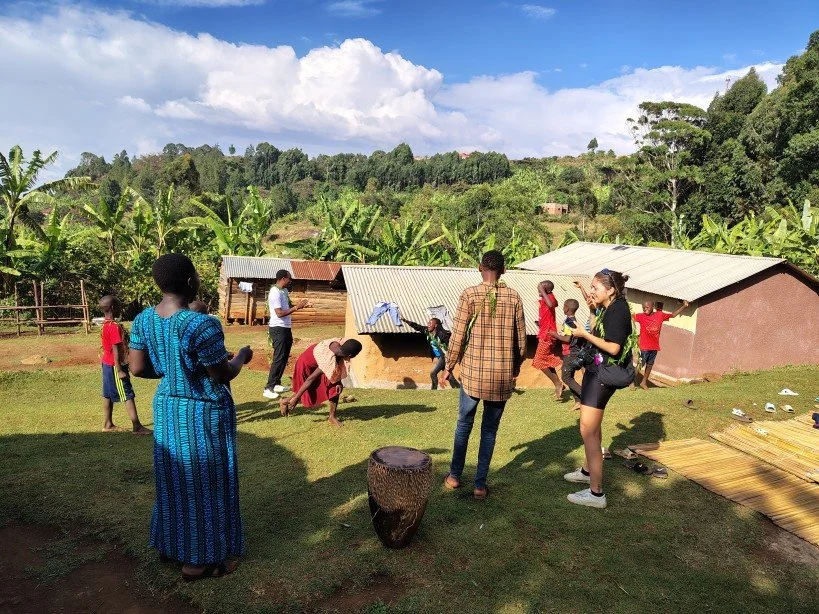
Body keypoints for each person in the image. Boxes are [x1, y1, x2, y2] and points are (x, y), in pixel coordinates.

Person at [129, 253, 254, 581]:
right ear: (190, 281)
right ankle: (197, 563)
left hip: (168, 411)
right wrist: (241, 357)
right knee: (204, 484)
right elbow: (222, 375)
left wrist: (174, 370)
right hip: (201, 414)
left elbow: (138, 368)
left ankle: (171, 546)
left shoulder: (142, 320)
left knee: (173, 479)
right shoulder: (202, 324)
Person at [442, 250, 526, 500]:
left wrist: (448, 366)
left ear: (480, 268)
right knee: (489, 431)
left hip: (472, 376)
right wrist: (514, 368)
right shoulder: (514, 297)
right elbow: (520, 343)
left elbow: (457, 336)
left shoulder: (469, 294)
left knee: (463, 424)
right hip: (501, 378)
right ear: (504, 270)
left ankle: (455, 476)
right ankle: (480, 485)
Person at [563, 269, 634, 509]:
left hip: (603, 374)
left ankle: (596, 494)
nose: (591, 291)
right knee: (593, 427)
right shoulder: (609, 307)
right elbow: (596, 331)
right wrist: (592, 310)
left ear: (611, 290)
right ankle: (586, 471)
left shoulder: (619, 311)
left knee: (588, 431)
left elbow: (613, 348)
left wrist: (582, 334)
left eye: (595, 288)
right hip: (598, 371)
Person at [98, 295, 151, 435]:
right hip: (115, 366)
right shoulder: (114, 327)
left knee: (108, 394)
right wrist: (120, 369)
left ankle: (107, 424)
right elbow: (116, 348)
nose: (121, 309)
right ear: (113, 308)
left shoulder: (105, 325)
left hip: (106, 364)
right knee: (127, 394)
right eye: (119, 306)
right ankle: (137, 426)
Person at [280, 338, 363, 427]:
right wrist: (296, 398)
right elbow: (311, 379)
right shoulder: (329, 359)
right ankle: (285, 401)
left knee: (334, 388)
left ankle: (332, 417)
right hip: (307, 363)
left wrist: (338, 382)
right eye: (357, 354)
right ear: (350, 355)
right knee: (309, 390)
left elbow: (338, 364)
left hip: (320, 361)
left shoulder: (342, 348)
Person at [264, 270, 310, 400]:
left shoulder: (283, 291)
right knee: (278, 358)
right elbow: (279, 313)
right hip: (278, 328)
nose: (291, 281)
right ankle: (268, 388)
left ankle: (277, 383)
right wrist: (297, 308)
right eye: (289, 279)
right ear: (283, 278)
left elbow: (287, 307)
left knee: (284, 357)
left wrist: (302, 305)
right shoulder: (274, 292)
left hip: (285, 328)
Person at [633, 299, 689, 389]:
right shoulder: (641, 316)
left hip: (654, 346)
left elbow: (673, 315)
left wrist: (684, 306)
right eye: (643, 307)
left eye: (647, 307)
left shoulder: (660, 315)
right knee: (641, 363)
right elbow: (629, 318)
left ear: (653, 307)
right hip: (644, 345)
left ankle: (643, 382)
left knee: (650, 365)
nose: (644, 309)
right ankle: (631, 382)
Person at [401, 316, 459, 390]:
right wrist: (405, 320)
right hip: (440, 357)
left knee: (433, 373)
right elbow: (417, 327)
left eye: (430, 323)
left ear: (435, 325)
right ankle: (458, 389)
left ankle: (433, 390)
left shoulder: (442, 334)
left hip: (444, 357)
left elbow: (450, 347)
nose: (428, 324)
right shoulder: (427, 331)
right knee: (449, 376)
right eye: (428, 323)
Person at [547, 298, 585, 410]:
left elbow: (568, 339)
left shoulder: (569, 322)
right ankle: (578, 402)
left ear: (567, 308)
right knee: (570, 376)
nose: (563, 308)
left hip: (570, 353)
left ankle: (585, 397)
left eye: (563, 306)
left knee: (566, 377)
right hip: (572, 352)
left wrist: (554, 334)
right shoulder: (571, 320)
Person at [532, 280, 563, 399]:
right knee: (544, 360)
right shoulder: (545, 297)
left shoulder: (550, 296)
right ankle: (558, 384)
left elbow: (552, 304)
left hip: (548, 335)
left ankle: (558, 383)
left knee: (538, 361)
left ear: (547, 290)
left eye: (541, 288)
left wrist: (543, 291)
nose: (539, 290)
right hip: (544, 333)